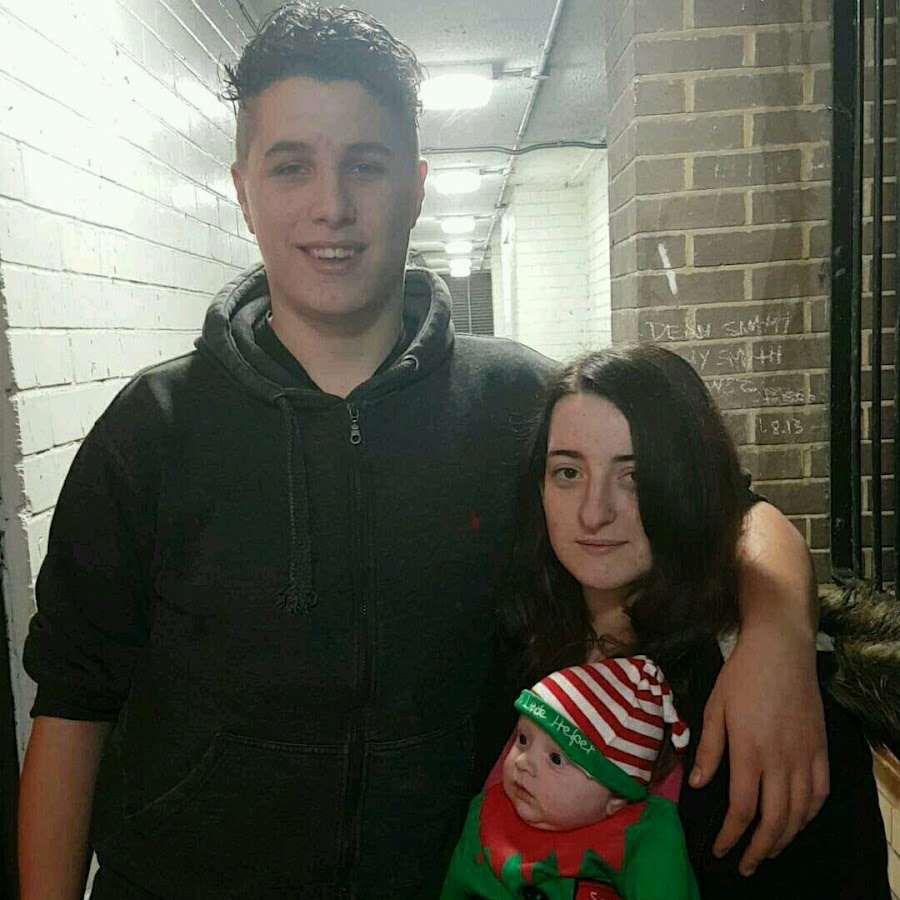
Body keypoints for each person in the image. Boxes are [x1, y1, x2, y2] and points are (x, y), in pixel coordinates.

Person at [17, 3, 828, 898]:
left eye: (365, 165)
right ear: (244, 190)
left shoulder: (519, 403)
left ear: (415, 186)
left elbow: (729, 509)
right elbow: (73, 707)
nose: (332, 205)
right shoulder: (151, 430)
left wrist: (779, 636)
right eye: (292, 166)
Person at [498, 345, 889, 899]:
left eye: (634, 477)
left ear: (689, 487)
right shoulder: (512, 642)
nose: (593, 512)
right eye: (568, 472)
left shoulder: (771, 699)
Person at [441, 656, 699, 899]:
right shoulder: (487, 813)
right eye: (522, 739)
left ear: (616, 797)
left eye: (556, 759)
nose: (522, 763)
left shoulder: (645, 837)